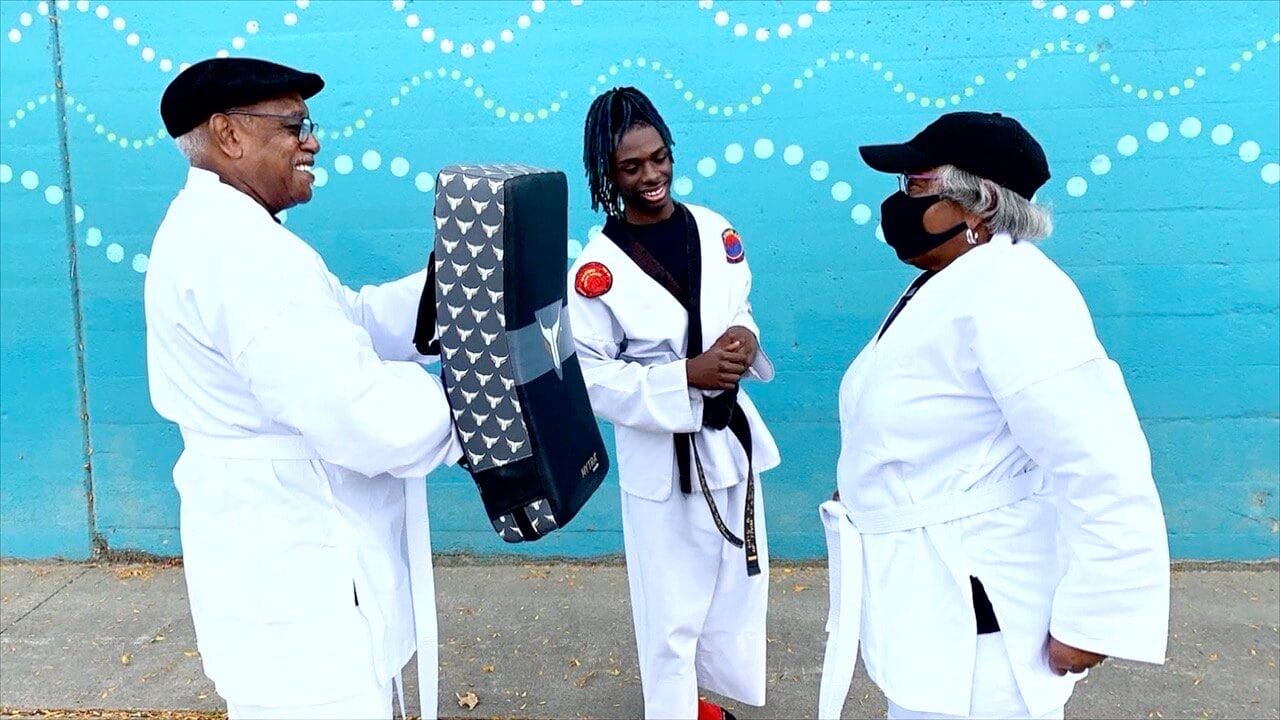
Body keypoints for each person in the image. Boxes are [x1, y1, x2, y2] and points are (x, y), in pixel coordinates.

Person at [817, 111, 1170, 720]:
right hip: (930, 604)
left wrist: (1097, 615)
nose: (898, 203)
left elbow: (1101, 458)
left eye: (915, 186)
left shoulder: (1017, 293)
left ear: (974, 205)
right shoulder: (949, 281)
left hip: (979, 614)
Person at [145, 57, 459, 720]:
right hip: (296, 578)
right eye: (294, 126)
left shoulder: (233, 233)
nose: (311, 140)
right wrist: (474, 403)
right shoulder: (237, 252)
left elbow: (349, 323)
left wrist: (445, 291)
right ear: (229, 136)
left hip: (276, 560)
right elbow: (358, 412)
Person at [566, 87, 781, 720]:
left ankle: (698, 702)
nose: (652, 176)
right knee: (668, 605)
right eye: (632, 167)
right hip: (662, 455)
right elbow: (592, 377)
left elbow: (737, 306)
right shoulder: (597, 269)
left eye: (659, 158)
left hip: (728, 437)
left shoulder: (715, 229)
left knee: (734, 589)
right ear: (608, 175)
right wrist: (686, 374)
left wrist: (746, 337)